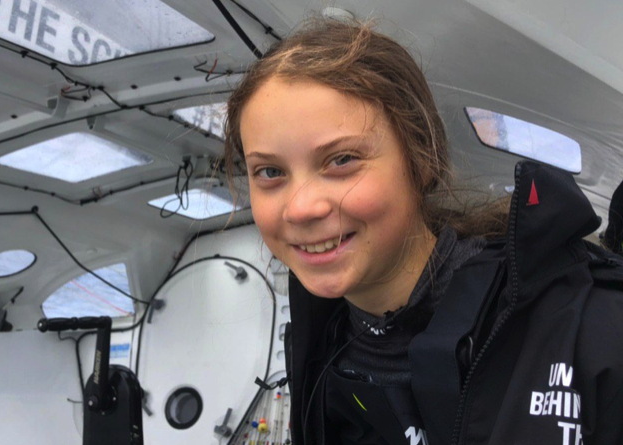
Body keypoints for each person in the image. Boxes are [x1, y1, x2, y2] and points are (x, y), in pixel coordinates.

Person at [223, 18, 623, 445]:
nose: (301, 208)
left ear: (422, 158)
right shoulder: (319, 359)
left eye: (341, 160)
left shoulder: (591, 323)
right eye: (269, 171)